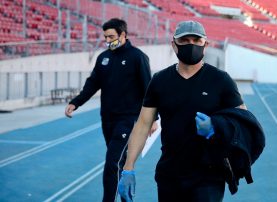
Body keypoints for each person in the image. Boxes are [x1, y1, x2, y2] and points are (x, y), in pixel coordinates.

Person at [118, 20, 265, 202]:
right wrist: (128, 168)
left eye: (196, 40)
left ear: (205, 44)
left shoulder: (221, 80)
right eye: (185, 40)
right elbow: (142, 125)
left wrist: (216, 127)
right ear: (174, 45)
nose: (191, 45)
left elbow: (245, 123)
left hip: (209, 176)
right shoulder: (159, 80)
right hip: (169, 175)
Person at [64, 18, 157, 202]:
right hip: (107, 119)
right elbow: (92, 84)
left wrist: (154, 119)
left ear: (123, 35)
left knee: (112, 163)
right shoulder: (103, 58)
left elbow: (149, 89)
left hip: (129, 120)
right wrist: (76, 102)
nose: (108, 40)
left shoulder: (137, 57)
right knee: (120, 164)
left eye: (111, 36)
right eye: (105, 37)